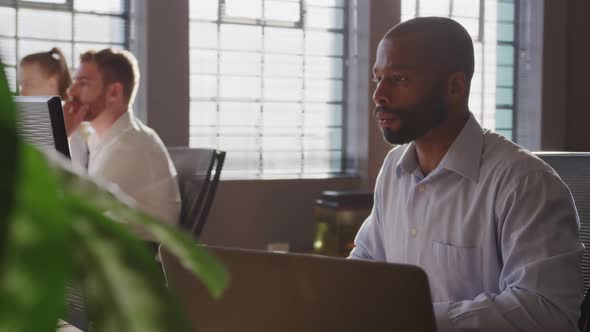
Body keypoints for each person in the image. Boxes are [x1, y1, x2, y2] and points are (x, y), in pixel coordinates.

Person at [349, 17, 584, 331]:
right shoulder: (394, 169)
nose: (379, 95)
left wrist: (418, 320)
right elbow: (367, 262)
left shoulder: (525, 183)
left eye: (399, 79)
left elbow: (547, 310)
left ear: (455, 87)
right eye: (378, 78)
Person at [64, 48, 181, 231]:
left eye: (83, 83)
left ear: (114, 92)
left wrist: (63, 135)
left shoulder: (129, 147)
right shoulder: (105, 139)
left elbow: (76, 210)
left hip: (141, 255)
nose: (71, 91)